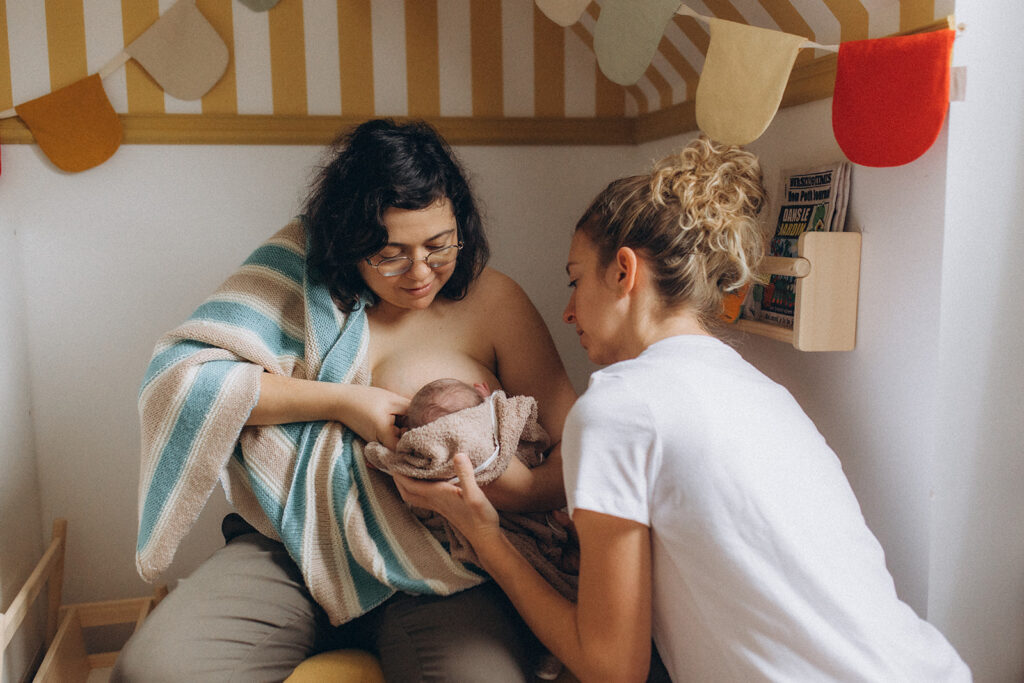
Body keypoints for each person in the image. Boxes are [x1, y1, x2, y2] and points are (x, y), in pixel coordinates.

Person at [395, 137, 971, 682]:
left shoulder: (618, 406)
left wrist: (486, 537)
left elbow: (610, 669)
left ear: (624, 271)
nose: (568, 312)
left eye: (575, 282)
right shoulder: (761, 392)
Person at [114, 119, 577, 682]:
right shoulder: (298, 289)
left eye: (439, 246)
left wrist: (508, 491)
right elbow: (185, 383)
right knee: (155, 671)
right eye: (390, 254)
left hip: (445, 562)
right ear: (349, 241)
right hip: (292, 548)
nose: (420, 272)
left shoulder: (495, 301)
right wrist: (342, 402)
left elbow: (577, 457)